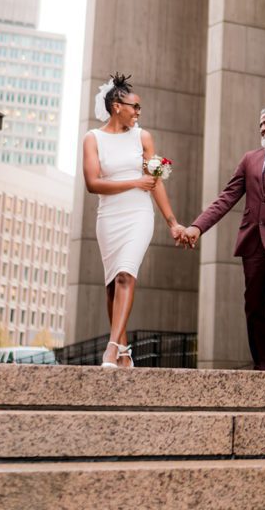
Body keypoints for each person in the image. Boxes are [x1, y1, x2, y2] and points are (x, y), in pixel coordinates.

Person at [181, 105, 265, 371]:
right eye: (260, 125)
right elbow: (226, 198)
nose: (262, 128)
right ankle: (263, 366)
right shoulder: (249, 160)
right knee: (254, 303)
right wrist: (198, 227)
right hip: (253, 240)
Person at [83, 73, 186, 367]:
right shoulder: (93, 138)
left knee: (126, 274)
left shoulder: (143, 137)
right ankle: (125, 351)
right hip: (109, 216)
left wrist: (173, 223)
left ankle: (112, 348)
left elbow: (155, 183)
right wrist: (134, 182)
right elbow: (93, 183)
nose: (138, 113)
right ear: (117, 106)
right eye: (135, 106)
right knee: (113, 284)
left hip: (139, 215)